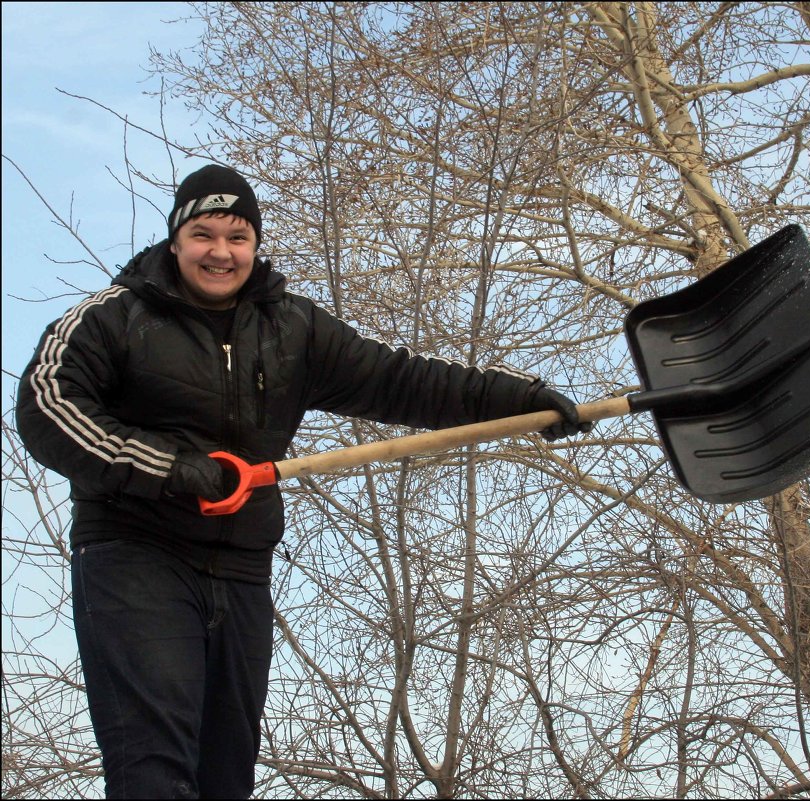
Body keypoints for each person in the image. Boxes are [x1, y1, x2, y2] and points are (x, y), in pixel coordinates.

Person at [15, 164, 590, 799]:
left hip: (240, 568)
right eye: (203, 234)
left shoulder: (292, 328)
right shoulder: (111, 319)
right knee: (154, 764)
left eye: (237, 237)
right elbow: (49, 406)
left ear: (255, 246)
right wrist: (170, 469)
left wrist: (523, 401)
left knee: (226, 777)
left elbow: (404, 380)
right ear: (175, 240)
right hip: (135, 556)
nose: (220, 252)